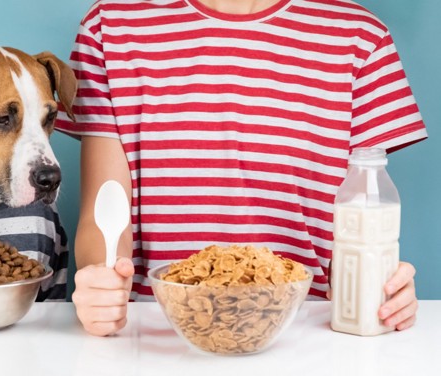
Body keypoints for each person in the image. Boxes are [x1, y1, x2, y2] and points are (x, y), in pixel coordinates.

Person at [55, 0, 427, 336]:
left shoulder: (361, 36)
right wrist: (101, 283)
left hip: (311, 332)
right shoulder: (111, 26)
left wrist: (382, 286)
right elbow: (105, 213)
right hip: (159, 332)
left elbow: (365, 207)